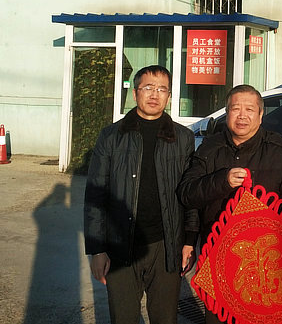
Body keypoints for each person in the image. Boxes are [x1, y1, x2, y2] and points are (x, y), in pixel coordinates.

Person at [177, 84, 282, 324]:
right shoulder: (209, 148)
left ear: (261, 114)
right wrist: (221, 181)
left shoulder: (280, 152)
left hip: (265, 262)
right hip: (216, 253)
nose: (242, 115)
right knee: (217, 316)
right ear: (227, 113)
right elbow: (188, 194)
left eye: (249, 109)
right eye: (236, 109)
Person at [84, 65, 198, 324]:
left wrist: (189, 241)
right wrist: (97, 249)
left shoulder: (183, 138)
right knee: (123, 317)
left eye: (162, 89)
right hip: (120, 244)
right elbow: (95, 196)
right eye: (148, 88)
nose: (154, 94)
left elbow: (189, 195)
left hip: (165, 245)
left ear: (169, 96)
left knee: (165, 318)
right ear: (135, 93)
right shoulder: (111, 136)